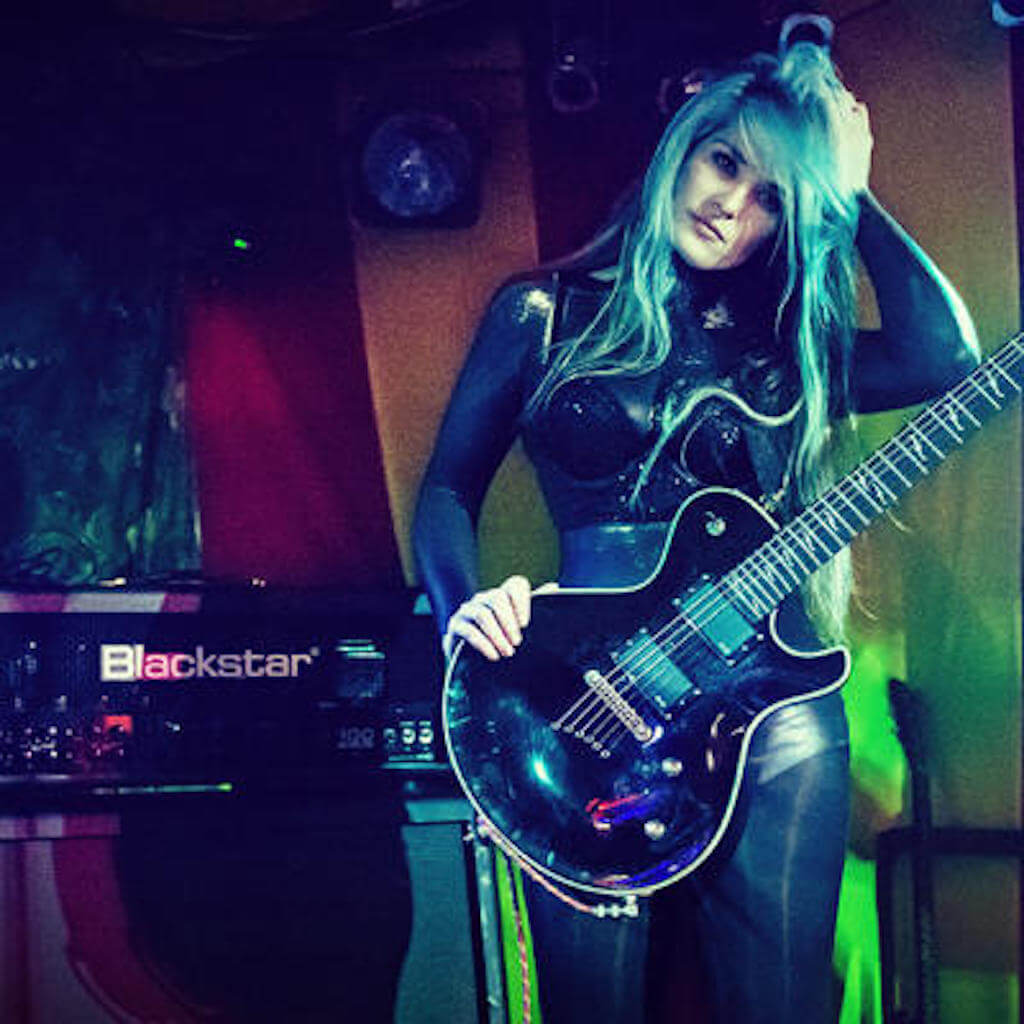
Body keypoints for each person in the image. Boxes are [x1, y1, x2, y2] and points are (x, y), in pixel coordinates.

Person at [412, 42, 979, 1024]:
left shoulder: (788, 349)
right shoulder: (540, 314)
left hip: (770, 713)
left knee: (783, 1007)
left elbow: (946, 358)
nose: (732, 205)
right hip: (578, 703)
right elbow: (447, 489)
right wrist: (466, 613)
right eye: (725, 162)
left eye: (771, 199)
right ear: (680, 148)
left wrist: (850, 193)